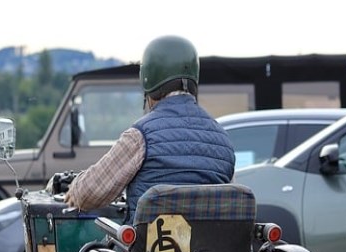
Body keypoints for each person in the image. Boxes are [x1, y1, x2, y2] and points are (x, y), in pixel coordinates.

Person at [64, 35, 235, 223]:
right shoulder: (224, 141)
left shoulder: (141, 136)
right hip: (210, 243)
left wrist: (73, 187)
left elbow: (88, 194)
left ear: (148, 79)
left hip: (149, 242)